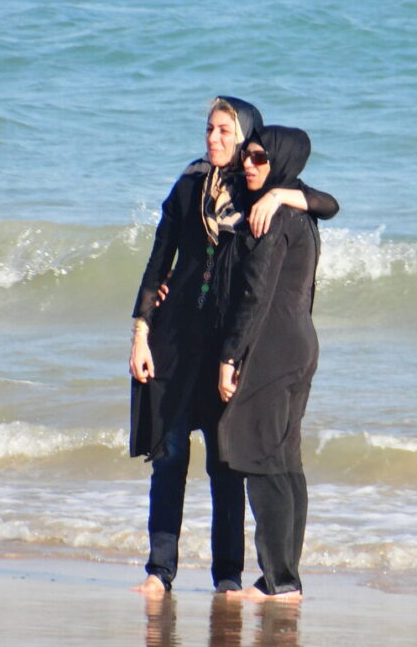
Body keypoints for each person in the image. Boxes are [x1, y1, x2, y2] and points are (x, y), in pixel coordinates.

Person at [129, 98, 338, 596]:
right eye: (209, 129)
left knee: (226, 464)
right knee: (170, 454)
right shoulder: (189, 185)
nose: (214, 139)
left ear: (245, 137)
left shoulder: (258, 190)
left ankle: (227, 576)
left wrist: (283, 198)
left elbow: (328, 204)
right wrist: (141, 330)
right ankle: (160, 572)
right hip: (175, 341)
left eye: (225, 130)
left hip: (227, 344)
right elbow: (160, 258)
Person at [216, 125, 323, 601]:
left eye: (260, 158)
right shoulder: (295, 209)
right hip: (298, 345)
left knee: (261, 458)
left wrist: (230, 356)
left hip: (272, 346)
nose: (249, 164)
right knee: (284, 461)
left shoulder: (273, 217)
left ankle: (280, 581)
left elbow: (255, 294)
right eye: (248, 156)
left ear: (281, 163)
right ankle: (283, 579)